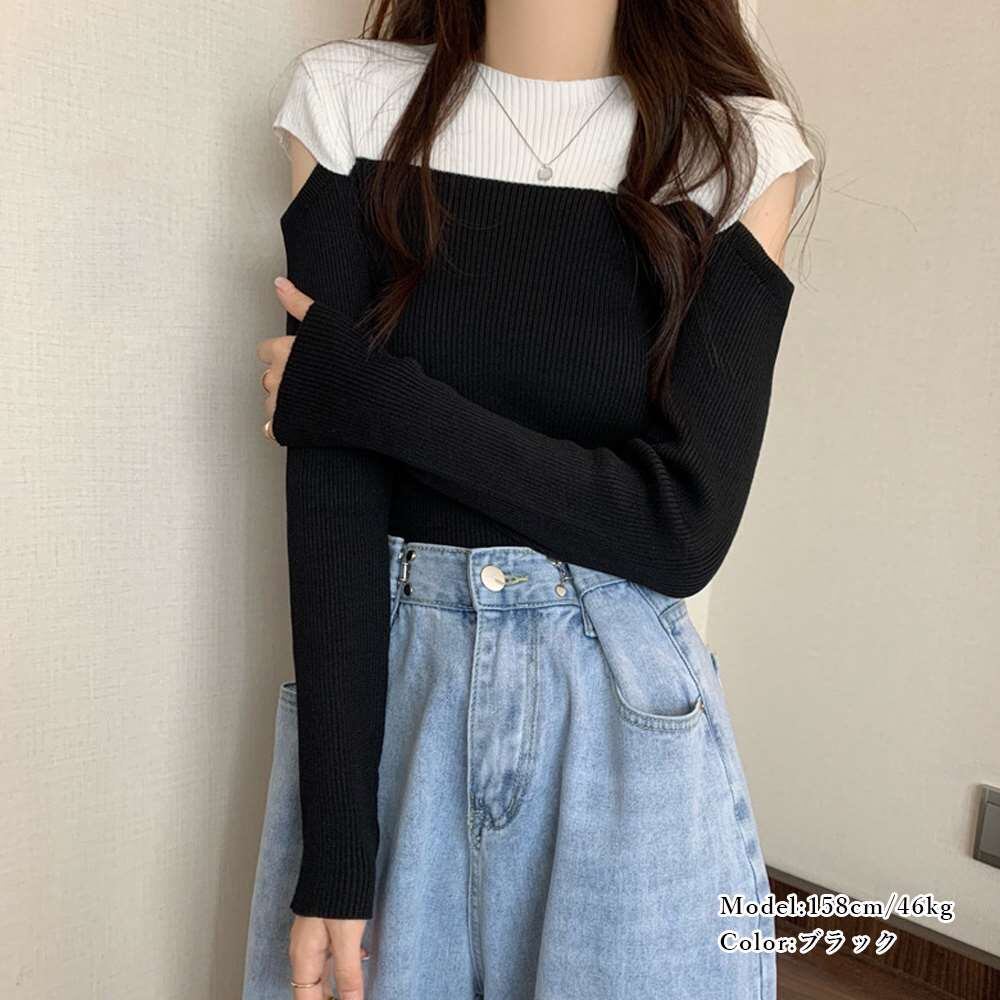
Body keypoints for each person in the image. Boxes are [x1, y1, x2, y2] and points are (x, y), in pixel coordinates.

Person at [245, 4, 820, 998]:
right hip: (398, 696)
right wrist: (336, 851)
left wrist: (375, 399)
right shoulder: (350, 103)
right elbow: (334, 502)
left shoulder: (734, 151)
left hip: (619, 713)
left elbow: (678, 528)